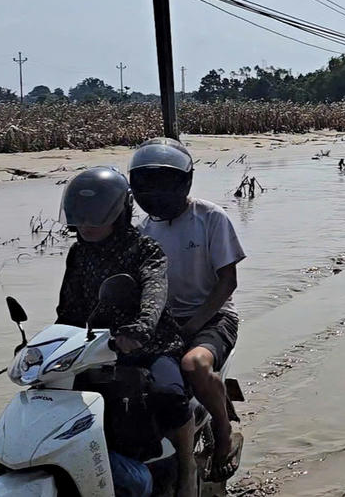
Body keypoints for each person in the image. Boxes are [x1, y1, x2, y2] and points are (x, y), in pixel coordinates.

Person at [55, 167, 188, 497]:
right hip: (96, 348)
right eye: (80, 218)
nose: (85, 226)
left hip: (150, 344)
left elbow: (154, 292)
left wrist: (141, 329)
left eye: (95, 218)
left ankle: (187, 472)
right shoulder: (78, 253)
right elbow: (67, 311)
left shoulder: (146, 250)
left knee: (168, 396)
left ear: (120, 213)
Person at [129, 138, 245, 488]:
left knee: (194, 364)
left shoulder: (210, 218)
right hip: (164, 323)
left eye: (163, 182)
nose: (155, 192)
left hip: (215, 316)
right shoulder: (143, 230)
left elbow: (228, 282)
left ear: (183, 183)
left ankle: (223, 433)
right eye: (147, 183)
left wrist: (194, 323)